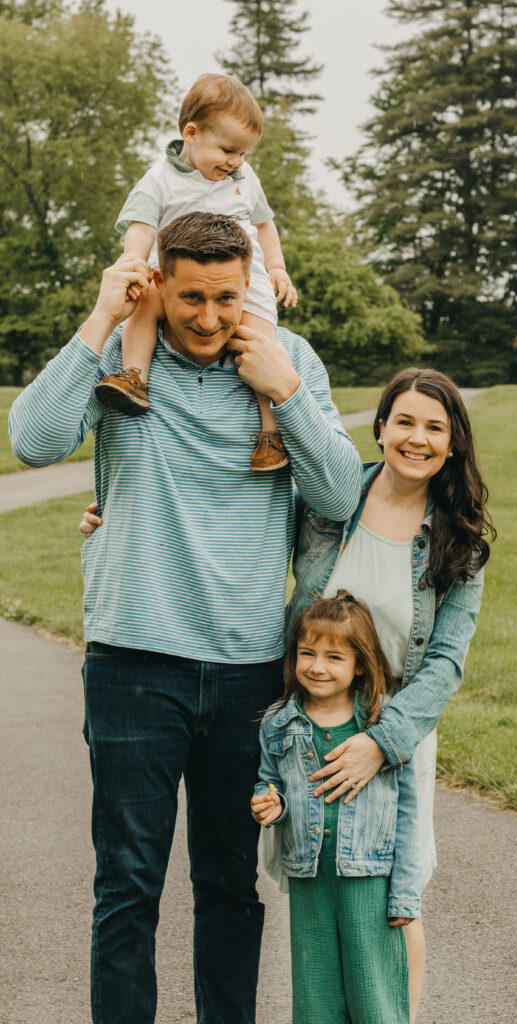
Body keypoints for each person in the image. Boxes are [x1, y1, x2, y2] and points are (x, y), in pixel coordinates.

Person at [9, 210, 362, 1024]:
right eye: (192, 297)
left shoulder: (287, 361)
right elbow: (31, 443)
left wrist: (286, 393)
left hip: (246, 673)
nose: (208, 319)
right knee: (126, 886)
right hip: (133, 663)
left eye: (227, 299)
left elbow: (338, 496)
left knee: (230, 887)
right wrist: (101, 313)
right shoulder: (122, 358)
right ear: (160, 283)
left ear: (251, 291)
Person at [285, 367, 495, 1020]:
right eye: (403, 421)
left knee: (394, 904)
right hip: (312, 726)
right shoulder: (328, 504)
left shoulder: (459, 542)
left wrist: (380, 743)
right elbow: (238, 531)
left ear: (453, 443)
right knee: (317, 900)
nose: (417, 438)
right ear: (379, 430)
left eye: (435, 427)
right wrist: (109, 524)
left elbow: (444, 666)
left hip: (396, 740)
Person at [96, 72, 297, 471]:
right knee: (143, 307)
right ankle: (134, 377)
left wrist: (276, 267)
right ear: (191, 132)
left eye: (243, 154)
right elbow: (142, 225)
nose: (235, 162)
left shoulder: (244, 180)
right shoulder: (160, 180)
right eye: (227, 150)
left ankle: (270, 434)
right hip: (174, 275)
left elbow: (265, 224)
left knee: (261, 345)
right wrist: (134, 263)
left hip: (243, 278)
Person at [251, 591, 421, 1024]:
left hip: (370, 878)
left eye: (334, 657)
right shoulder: (280, 722)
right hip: (310, 877)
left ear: (360, 663)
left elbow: (406, 814)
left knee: (373, 995)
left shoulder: (382, 726)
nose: (317, 667)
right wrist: (270, 803)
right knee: (315, 996)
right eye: (307, 653)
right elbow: (270, 780)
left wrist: (404, 893)